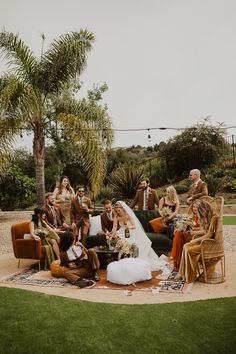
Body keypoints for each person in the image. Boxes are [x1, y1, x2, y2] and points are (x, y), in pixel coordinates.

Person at [177, 200, 218, 283]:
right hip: (204, 241)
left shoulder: (214, 217)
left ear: (204, 209)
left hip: (210, 244)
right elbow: (204, 231)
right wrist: (193, 233)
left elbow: (209, 235)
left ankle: (190, 277)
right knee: (186, 246)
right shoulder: (206, 217)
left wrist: (195, 240)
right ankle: (182, 273)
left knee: (189, 250)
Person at [170, 200, 201, 271]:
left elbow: (202, 229)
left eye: (196, 207)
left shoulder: (201, 217)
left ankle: (175, 258)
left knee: (180, 233)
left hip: (195, 236)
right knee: (178, 232)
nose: (195, 209)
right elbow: (186, 225)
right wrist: (183, 225)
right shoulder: (191, 216)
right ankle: (178, 261)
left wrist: (192, 228)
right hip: (188, 234)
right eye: (193, 207)